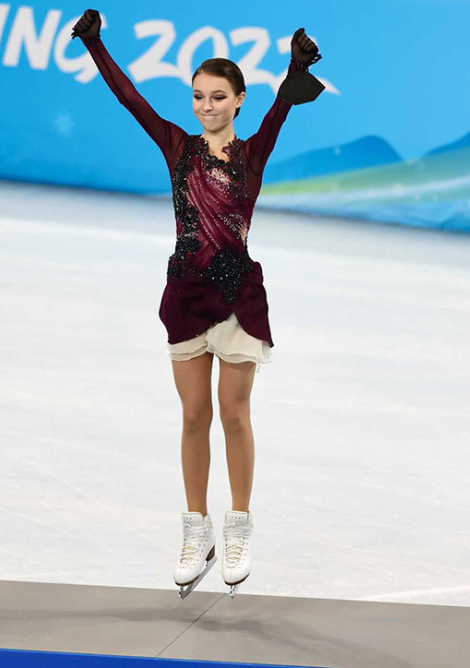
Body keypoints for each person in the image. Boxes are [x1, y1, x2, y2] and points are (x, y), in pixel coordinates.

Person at [71, 9, 323, 597]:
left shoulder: (252, 154)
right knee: (192, 416)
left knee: (234, 413)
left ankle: (238, 525)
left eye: (217, 97)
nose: (205, 106)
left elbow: (285, 103)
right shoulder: (177, 148)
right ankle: (196, 530)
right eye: (198, 97)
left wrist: (296, 64)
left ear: (238, 100)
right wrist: (95, 46)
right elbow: (130, 99)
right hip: (185, 294)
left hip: (237, 299)